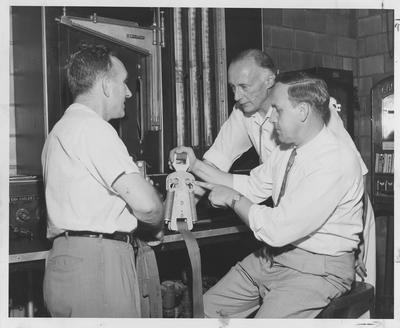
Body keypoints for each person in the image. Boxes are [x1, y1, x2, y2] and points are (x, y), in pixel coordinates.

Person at [170, 49, 373, 285]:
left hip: (338, 223)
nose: (236, 96)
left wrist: (356, 246)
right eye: (232, 87)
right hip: (288, 226)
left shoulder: (316, 113)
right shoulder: (243, 113)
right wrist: (182, 203)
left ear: (269, 80)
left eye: (243, 86)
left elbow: (357, 171)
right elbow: (216, 161)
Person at [194, 72, 364, 317]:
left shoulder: (334, 159)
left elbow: (277, 229)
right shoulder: (287, 150)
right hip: (274, 256)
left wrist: (232, 199)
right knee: (204, 313)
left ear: (302, 111)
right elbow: (252, 186)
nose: (271, 118)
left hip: (318, 269)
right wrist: (195, 166)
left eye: (277, 109)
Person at [41, 43, 163, 317]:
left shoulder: (58, 132)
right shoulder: (95, 128)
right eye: (124, 83)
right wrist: (156, 229)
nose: (129, 92)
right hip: (98, 264)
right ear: (107, 87)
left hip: (64, 264)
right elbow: (147, 206)